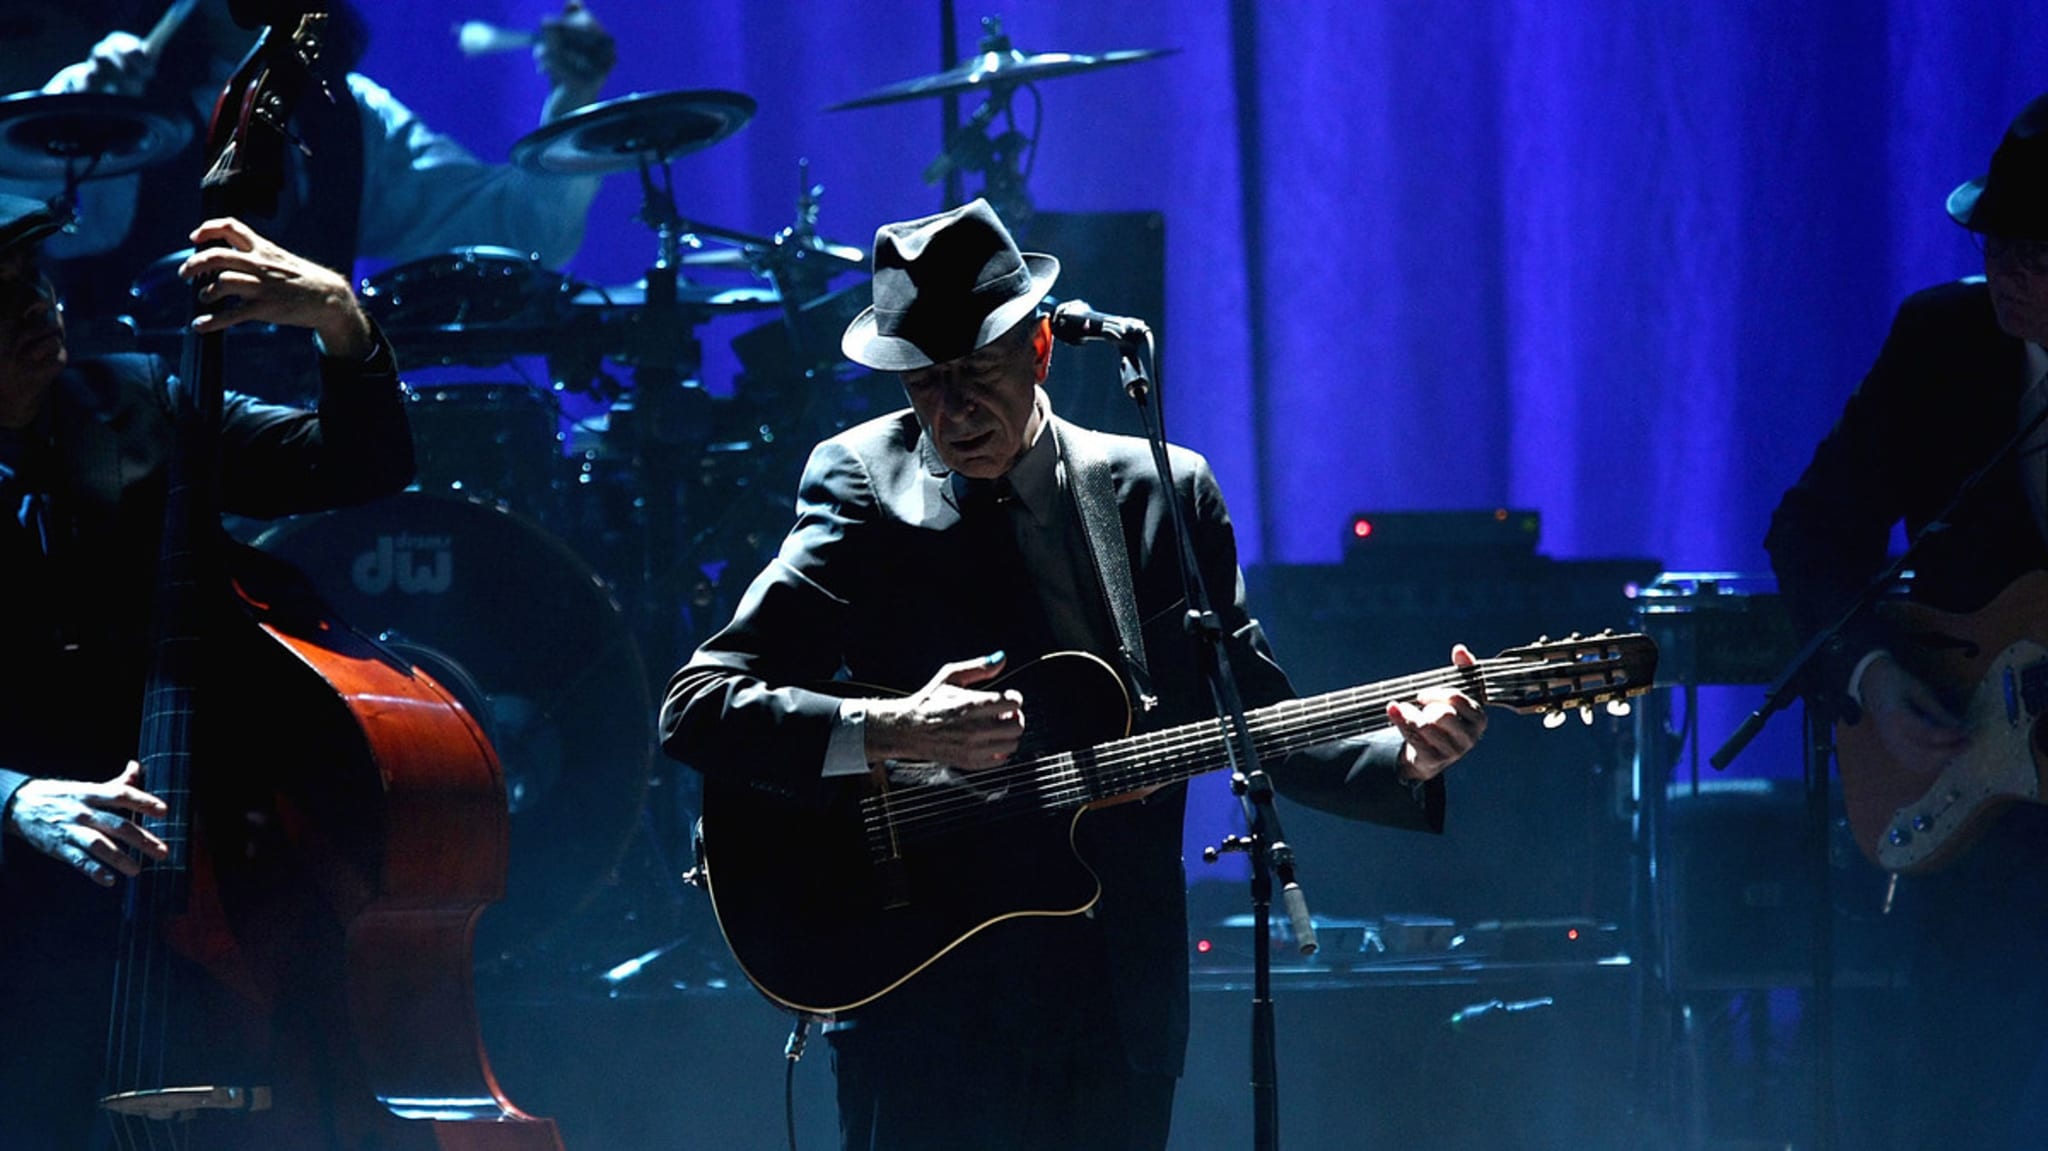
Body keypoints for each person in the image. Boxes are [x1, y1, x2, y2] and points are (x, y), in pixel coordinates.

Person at [660, 199, 1489, 1150]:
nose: (953, 411)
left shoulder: (1162, 493)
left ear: (1041, 348)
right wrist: (897, 730)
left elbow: (1250, 714)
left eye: (976, 372)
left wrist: (1404, 753)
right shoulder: (860, 481)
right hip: (923, 1000)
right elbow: (699, 707)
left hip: (1113, 999)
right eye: (925, 384)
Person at [0, 191, 416, 1148]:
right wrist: (17, 799)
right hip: (19, 929)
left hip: (206, 906)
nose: (33, 309)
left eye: (34, 280)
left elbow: (357, 465)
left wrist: (341, 324)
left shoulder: (139, 398)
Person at [1765, 93, 2048, 1150]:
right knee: (1955, 1106)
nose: (2008, 272)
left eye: (2039, 252)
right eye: (1997, 245)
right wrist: (1874, 672)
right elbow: (1809, 529)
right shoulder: (1940, 338)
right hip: (1972, 823)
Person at [18, 0, 615, 341]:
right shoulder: (114, 95)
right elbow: (27, 221)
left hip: (298, 460)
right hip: (132, 457)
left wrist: (574, 100)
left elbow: (516, 230)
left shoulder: (353, 118)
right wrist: (86, 122)